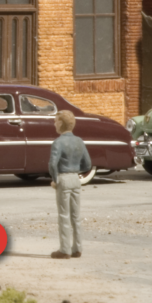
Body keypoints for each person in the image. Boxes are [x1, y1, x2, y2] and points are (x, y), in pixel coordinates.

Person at [48, 110, 91, 259]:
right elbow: (88, 164)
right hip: (75, 178)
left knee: (63, 215)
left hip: (64, 178)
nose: (54, 124)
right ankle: (77, 248)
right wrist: (76, 171)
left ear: (60, 123)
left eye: (55, 121)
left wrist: (55, 179)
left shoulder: (58, 142)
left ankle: (65, 249)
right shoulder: (79, 141)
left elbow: (53, 163)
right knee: (75, 215)